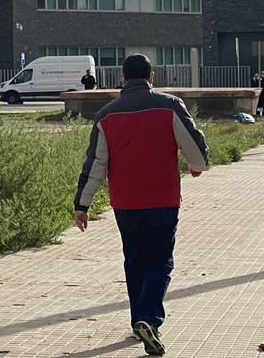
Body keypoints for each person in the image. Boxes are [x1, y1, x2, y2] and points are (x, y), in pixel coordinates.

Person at [74, 54, 209, 356]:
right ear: (151, 76)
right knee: (159, 260)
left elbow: (96, 163)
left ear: (123, 77)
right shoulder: (170, 106)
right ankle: (149, 319)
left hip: (125, 203)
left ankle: (138, 321)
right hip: (162, 199)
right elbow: (194, 145)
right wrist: (196, 164)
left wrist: (82, 205)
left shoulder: (106, 115)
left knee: (134, 260)